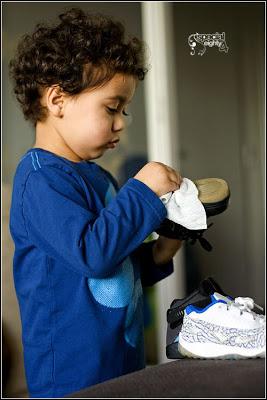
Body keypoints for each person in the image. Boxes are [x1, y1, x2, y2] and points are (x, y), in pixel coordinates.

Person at [8, 8, 182, 398]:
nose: (123, 122)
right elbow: (93, 254)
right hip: (71, 379)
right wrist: (141, 190)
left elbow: (116, 266)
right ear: (57, 99)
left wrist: (161, 250)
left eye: (124, 110)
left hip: (121, 363)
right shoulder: (39, 180)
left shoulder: (98, 177)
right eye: (112, 107)